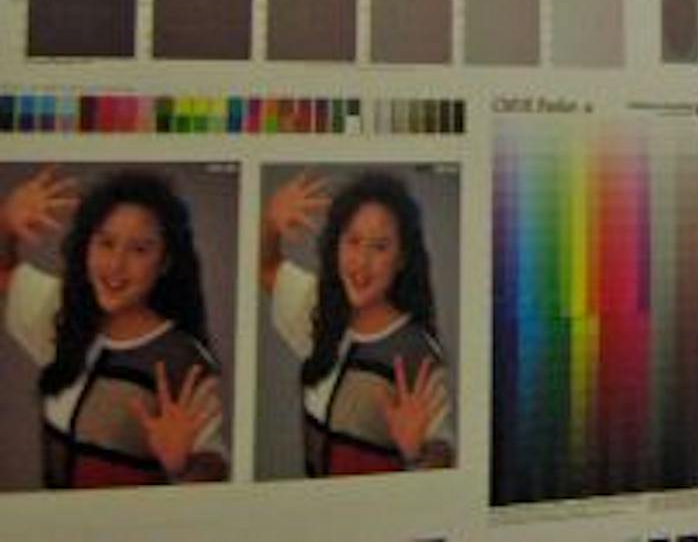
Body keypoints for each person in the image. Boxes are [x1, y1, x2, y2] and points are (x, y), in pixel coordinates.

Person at [0, 168, 228, 487]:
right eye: (105, 243)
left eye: (139, 250)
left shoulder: (183, 359)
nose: (115, 265)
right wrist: (6, 223)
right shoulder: (61, 311)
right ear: (86, 246)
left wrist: (183, 465)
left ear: (164, 262)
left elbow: (213, 467)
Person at [260, 170, 452, 475]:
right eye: (353, 241)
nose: (361, 262)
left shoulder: (417, 352)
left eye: (379, 247)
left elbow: (442, 459)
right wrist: (270, 223)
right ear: (336, 245)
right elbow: (264, 265)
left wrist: (417, 453)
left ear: (402, 257)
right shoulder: (317, 306)